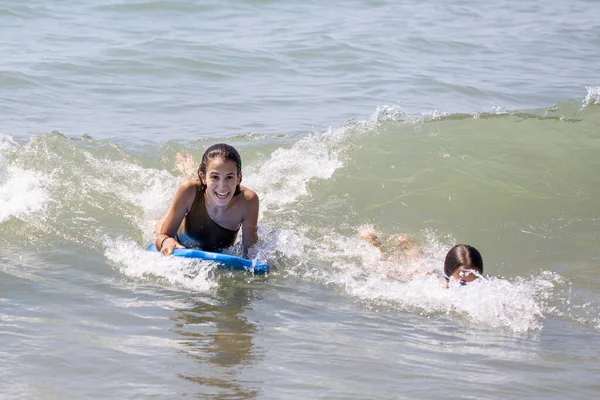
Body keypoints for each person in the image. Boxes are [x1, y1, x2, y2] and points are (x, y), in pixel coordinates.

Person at [154, 143, 259, 258]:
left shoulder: (248, 201)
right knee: (190, 184)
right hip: (179, 233)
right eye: (215, 177)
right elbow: (163, 236)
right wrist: (166, 241)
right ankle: (187, 169)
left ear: (239, 178)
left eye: (229, 177)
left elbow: (250, 250)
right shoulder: (188, 190)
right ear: (203, 177)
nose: (222, 186)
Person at [359, 229, 484, 286]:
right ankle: (377, 244)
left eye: (475, 282)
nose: (469, 287)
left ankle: (409, 244)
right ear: (448, 277)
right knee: (389, 264)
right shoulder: (433, 284)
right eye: (462, 283)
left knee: (417, 258)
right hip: (420, 275)